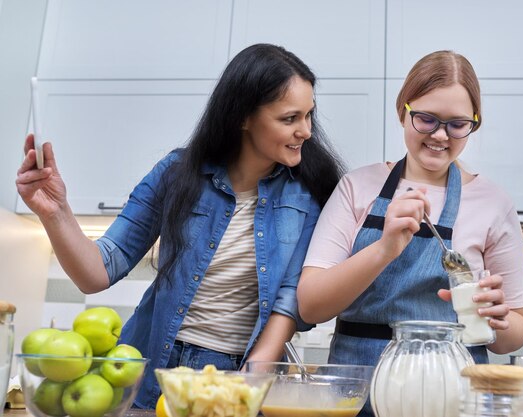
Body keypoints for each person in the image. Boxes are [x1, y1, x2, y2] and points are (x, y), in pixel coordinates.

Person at [16, 43, 344, 409]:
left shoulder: (310, 194)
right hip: (154, 369)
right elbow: (99, 271)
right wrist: (56, 212)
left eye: (309, 115)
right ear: (243, 117)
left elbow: (289, 302)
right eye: (290, 118)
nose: (307, 131)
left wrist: (250, 380)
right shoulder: (177, 173)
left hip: (242, 374)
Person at [297, 50, 523, 416]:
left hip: (454, 396)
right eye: (426, 119)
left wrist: (497, 319)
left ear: (473, 124)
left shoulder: (494, 204)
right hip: (355, 394)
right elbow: (311, 305)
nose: (440, 135)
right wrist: (384, 249)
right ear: (402, 111)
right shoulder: (357, 187)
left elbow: (514, 334)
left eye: (457, 124)